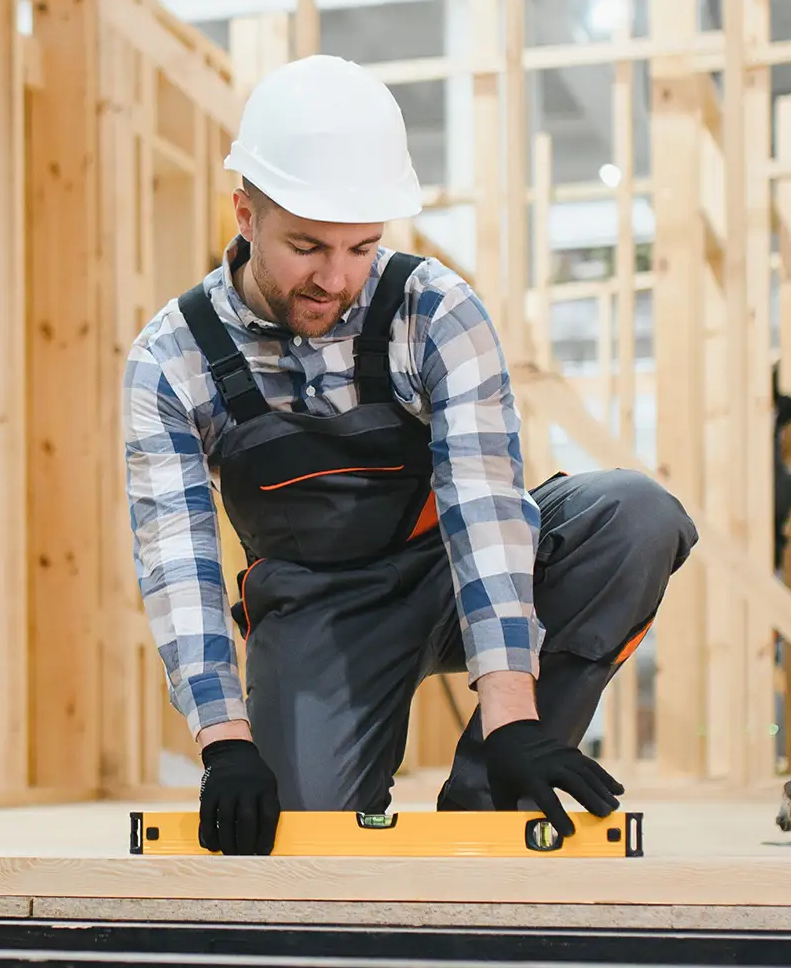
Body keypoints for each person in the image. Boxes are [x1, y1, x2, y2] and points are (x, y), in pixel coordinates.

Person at [121, 55, 697, 855]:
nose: (338, 278)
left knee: (635, 517)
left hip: (448, 569)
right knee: (303, 832)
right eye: (308, 246)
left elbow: (488, 506)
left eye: (362, 247)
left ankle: (491, 790)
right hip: (320, 607)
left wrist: (511, 715)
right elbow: (178, 561)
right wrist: (225, 742)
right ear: (244, 212)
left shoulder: (435, 310)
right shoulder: (172, 359)